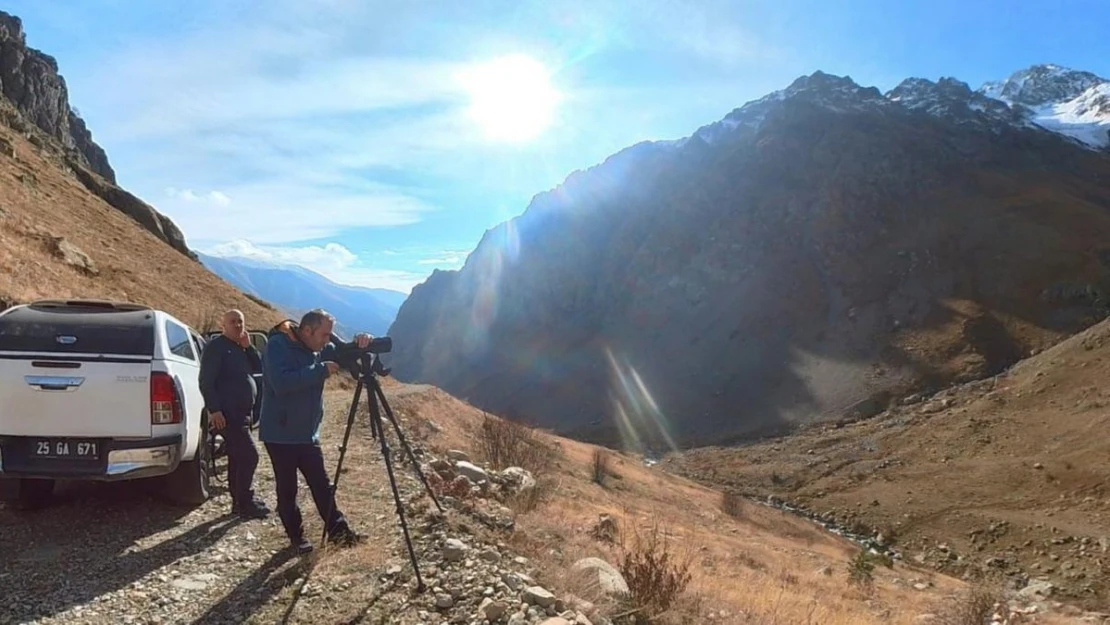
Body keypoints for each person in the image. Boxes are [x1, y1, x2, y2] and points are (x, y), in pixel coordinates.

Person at [259, 308, 369, 553]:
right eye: (324, 335)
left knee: (321, 484)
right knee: (288, 489)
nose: (328, 340)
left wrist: (362, 341)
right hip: (280, 434)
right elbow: (281, 383)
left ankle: (339, 534)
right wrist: (319, 371)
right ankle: (296, 538)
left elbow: (343, 351)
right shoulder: (277, 345)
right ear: (307, 330)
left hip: (307, 433)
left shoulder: (317, 346)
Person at [198, 309, 270, 519]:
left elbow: (259, 366)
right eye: (233, 322)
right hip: (228, 414)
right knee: (250, 456)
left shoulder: (240, 347)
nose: (238, 325)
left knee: (237, 458)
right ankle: (246, 502)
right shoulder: (216, 347)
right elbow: (206, 381)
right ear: (223, 325)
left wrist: (249, 348)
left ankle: (238, 504)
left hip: (244, 413)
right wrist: (214, 410)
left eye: (240, 321)